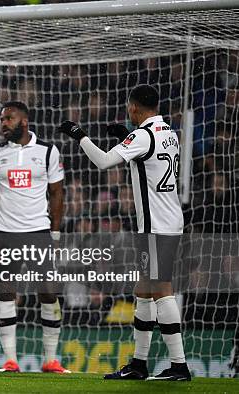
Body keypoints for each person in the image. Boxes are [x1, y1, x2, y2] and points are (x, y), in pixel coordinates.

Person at [58, 84, 191, 381]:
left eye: (128, 106)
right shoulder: (168, 133)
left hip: (157, 226)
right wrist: (124, 139)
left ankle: (179, 365)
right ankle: (139, 365)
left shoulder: (143, 135)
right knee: (143, 291)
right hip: (166, 221)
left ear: (134, 107)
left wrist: (80, 135)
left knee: (161, 290)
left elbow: (104, 161)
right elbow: (149, 164)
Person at [0, 101, 69, 374]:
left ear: (24, 122)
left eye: (9, 118)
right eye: (1, 119)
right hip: (5, 233)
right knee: (6, 294)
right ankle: (10, 360)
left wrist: (54, 235)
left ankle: (51, 360)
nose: (3, 124)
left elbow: (57, 194)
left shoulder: (47, 151)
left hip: (38, 232)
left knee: (48, 292)